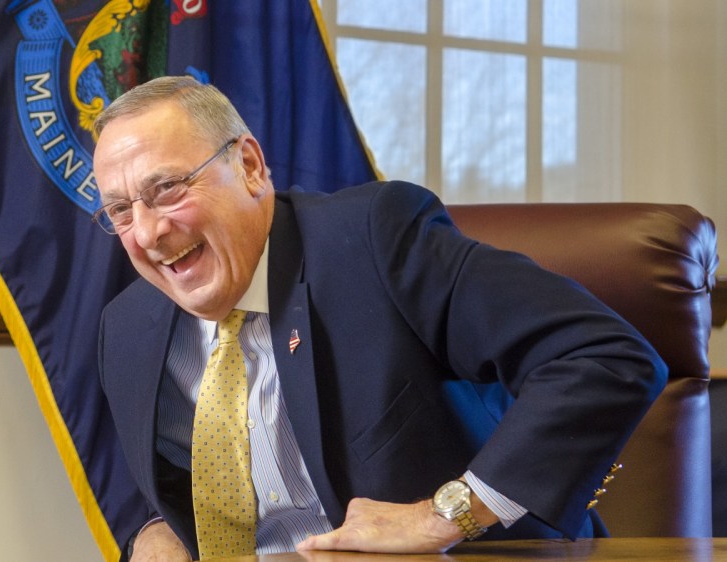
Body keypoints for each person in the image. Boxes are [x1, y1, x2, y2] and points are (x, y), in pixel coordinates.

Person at [91, 76, 667, 562]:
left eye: (165, 189)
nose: (146, 232)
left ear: (248, 165)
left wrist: (448, 512)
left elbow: (604, 357)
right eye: (120, 209)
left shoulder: (373, 241)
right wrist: (154, 531)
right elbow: (177, 484)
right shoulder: (129, 327)